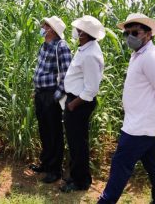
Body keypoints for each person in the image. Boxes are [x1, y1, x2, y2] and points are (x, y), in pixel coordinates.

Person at [98, 13, 155, 203]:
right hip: (144, 125)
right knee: (154, 167)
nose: (129, 37)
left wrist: (152, 116)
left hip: (140, 127)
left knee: (120, 166)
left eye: (134, 32)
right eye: (126, 34)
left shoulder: (153, 57)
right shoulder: (139, 55)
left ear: (149, 34)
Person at [60, 15, 105, 192]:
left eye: (78, 30)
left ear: (85, 34)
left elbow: (91, 88)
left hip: (79, 104)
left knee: (78, 144)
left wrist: (73, 105)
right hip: (74, 101)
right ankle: (75, 176)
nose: (75, 32)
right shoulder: (85, 49)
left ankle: (81, 182)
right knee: (74, 142)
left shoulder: (91, 55)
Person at [31, 16, 72, 183]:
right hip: (41, 94)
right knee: (44, 131)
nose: (42, 27)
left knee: (54, 133)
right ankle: (46, 164)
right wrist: (36, 91)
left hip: (51, 95)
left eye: (45, 25)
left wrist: (57, 95)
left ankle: (55, 170)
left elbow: (67, 74)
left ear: (53, 30)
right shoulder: (45, 45)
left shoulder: (61, 47)